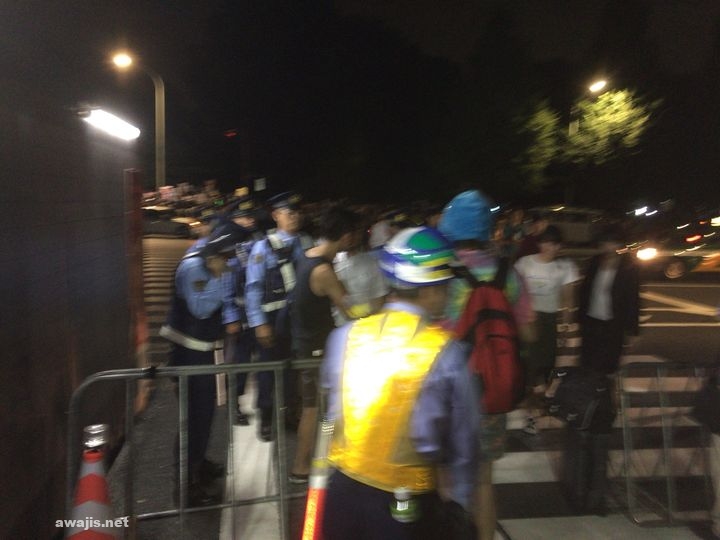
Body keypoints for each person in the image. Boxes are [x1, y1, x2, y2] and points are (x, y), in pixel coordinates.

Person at [321, 226, 479, 540]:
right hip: (405, 500)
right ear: (429, 290)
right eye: (446, 286)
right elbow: (465, 441)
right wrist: (460, 501)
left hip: (341, 491)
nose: (449, 294)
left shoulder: (345, 336)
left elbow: (332, 412)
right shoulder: (446, 353)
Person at [438, 190, 535, 540]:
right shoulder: (509, 274)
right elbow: (529, 332)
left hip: (446, 391)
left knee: (442, 477)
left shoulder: (442, 273)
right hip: (491, 390)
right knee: (484, 481)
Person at [160, 224, 250, 506]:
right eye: (228, 256)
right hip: (190, 356)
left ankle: (198, 463)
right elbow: (201, 309)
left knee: (204, 414)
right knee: (194, 419)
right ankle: (186, 486)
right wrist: (218, 278)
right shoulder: (194, 267)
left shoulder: (209, 261)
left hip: (204, 352)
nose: (230, 262)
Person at [288, 206, 362, 483]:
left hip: (307, 342)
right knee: (315, 408)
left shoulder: (307, 256)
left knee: (318, 406)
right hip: (315, 348)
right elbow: (350, 308)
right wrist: (375, 313)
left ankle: (321, 457)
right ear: (346, 236)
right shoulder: (323, 270)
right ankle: (302, 466)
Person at [245, 191, 313, 441]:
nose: (295, 217)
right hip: (273, 320)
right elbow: (253, 287)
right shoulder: (263, 247)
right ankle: (266, 417)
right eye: (289, 213)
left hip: (298, 318)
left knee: (293, 370)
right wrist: (259, 323)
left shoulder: (307, 242)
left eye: (297, 212)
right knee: (268, 371)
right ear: (276, 216)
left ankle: (289, 413)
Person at [514, 225, 580, 435]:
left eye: (553, 244)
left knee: (545, 368)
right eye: (545, 243)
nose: (548, 248)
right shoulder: (525, 263)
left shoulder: (565, 267)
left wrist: (566, 327)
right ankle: (532, 415)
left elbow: (568, 299)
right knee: (531, 370)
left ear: (559, 246)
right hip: (528, 319)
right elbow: (513, 292)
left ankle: (536, 407)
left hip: (550, 321)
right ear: (539, 243)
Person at [221, 196, 266, 425]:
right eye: (244, 217)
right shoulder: (229, 247)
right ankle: (234, 406)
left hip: (260, 315)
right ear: (234, 220)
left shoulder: (259, 242)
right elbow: (226, 286)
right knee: (239, 365)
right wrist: (231, 317)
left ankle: (266, 409)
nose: (250, 221)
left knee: (265, 365)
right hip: (239, 317)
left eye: (251, 217)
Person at [577, 224, 640, 375]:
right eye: (605, 242)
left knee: (609, 364)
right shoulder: (594, 262)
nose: (608, 246)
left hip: (613, 323)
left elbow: (633, 300)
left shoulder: (628, 267)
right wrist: (579, 318)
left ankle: (606, 387)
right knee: (588, 362)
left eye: (612, 242)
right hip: (591, 321)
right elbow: (584, 292)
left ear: (619, 244)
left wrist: (633, 331)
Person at [332, 218, 388, 327]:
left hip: (368, 325)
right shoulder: (331, 264)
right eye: (349, 232)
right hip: (341, 326)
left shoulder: (372, 263)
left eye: (356, 232)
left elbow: (379, 299)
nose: (352, 237)